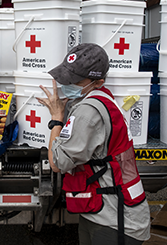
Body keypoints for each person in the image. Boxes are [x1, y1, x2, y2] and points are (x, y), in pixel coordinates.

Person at [37, 43, 151, 245]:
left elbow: (57, 162)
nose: (66, 83)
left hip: (115, 219)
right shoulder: (103, 98)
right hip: (106, 210)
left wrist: (56, 119)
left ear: (98, 81)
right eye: (66, 77)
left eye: (74, 80)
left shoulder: (89, 111)